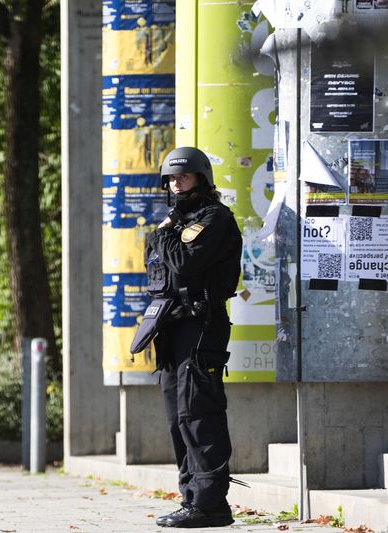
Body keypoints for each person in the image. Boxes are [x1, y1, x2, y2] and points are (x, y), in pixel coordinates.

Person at [145, 147, 242, 528]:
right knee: (177, 417)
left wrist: (163, 238)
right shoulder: (178, 220)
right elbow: (158, 269)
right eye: (171, 179)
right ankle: (191, 499)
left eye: (182, 177)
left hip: (202, 324)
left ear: (201, 178)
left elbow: (185, 262)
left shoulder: (214, 218)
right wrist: (164, 237)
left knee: (198, 413)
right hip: (174, 327)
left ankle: (211, 503)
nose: (176, 184)